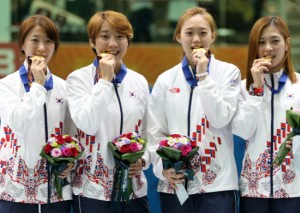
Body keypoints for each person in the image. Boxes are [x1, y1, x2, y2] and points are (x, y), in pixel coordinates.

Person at [147, 7, 241, 213]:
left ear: (213, 36)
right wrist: (164, 170)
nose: (196, 39)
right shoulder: (165, 80)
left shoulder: (229, 73)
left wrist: (204, 77)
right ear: (178, 36)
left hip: (218, 186)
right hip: (175, 185)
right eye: (189, 33)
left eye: (203, 33)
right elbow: (155, 132)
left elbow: (220, 118)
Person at [232, 16, 300, 213]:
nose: (268, 48)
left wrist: (298, 148)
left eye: (275, 41)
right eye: (261, 42)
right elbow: (243, 132)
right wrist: (256, 89)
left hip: (296, 191)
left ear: (287, 44)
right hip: (254, 192)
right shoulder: (243, 88)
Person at [66, 10, 150, 213]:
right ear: (92, 42)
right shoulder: (78, 79)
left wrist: (144, 159)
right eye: (104, 36)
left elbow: (147, 131)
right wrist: (104, 80)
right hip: (92, 191)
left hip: (133, 189)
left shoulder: (138, 81)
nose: (113, 44)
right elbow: (87, 124)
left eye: (120, 37)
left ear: (128, 41)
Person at [0, 15, 75, 213]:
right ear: (22, 44)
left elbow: (71, 135)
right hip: (15, 190)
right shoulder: (6, 85)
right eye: (35, 40)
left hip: (56, 190)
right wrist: (38, 87)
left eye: (48, 41)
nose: (41, 48)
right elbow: (18, 122)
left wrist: (70, 161)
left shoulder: (64, 87)